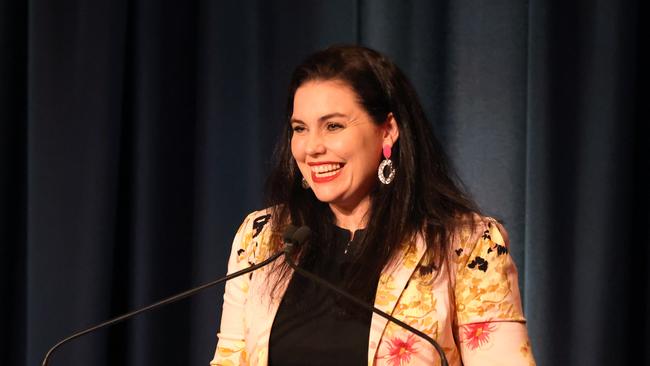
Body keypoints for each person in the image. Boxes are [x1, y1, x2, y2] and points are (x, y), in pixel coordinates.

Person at [210, 45, 535, 366]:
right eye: (300, 129)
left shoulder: (466, 244)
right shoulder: (262, 238)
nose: (311, 148)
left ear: (387, 131)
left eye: (333, 126)